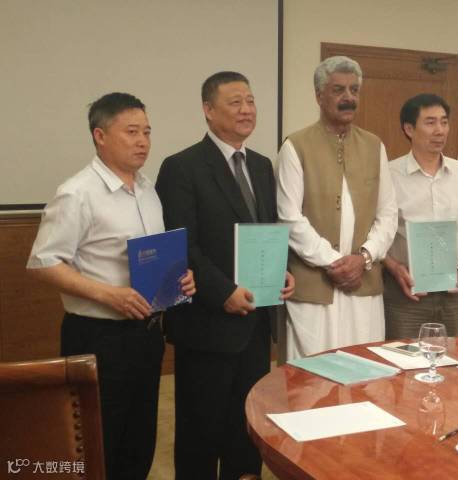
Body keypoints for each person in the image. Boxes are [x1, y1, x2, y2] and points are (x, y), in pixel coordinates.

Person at [26, 92, 196, 480]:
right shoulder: (77, 193)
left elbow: (155, 256)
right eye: (131, 132)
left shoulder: (148, 190)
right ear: (100, 136)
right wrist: (108, 294)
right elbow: (43, 262)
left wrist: (180, 277)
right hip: (98, 337)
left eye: (147, 132)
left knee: (139, 442)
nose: (143, 141)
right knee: (99, 444)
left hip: (146, 334)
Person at [155, 71, 294, 480]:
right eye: (235, 102)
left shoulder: (262, 166)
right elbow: (183, 245)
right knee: (200, 432)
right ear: (208, 110)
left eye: (250, 101)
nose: (246, 110)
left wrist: (281, 269)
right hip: (207, 323)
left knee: (246, 427)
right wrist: (223, 293)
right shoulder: (181, 167)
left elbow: (266, 231)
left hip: (255, 321)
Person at [277, 56, 397, 360]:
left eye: (354, 90)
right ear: (319, 95)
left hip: (364, 283)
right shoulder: (296, 146)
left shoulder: (374, 145)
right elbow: (289, 218)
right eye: (338, 90)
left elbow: (388, 214)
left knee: (366, 370)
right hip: (315, 287)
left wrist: (364, 258)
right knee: (311, 376)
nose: (348, 98)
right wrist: (335, 263)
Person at [383, 94, 458, 338]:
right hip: (406, 290)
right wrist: (394, 268)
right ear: (409, 129)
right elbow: (374, 232)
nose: (440, 130)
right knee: (403, 355)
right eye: (430, 122)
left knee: (452, 354)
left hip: (453, 290)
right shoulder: (389, 174)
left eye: (444, 122)